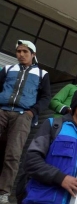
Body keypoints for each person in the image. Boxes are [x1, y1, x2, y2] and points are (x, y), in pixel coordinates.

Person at [22, 88, 77, 204]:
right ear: (75, 105)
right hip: (42, 199)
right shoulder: (53, 125)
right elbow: (31, 161)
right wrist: (61, 178)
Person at [0, 40, 51, 204]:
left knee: (13, 155)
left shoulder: (42, 74)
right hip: (2, 111)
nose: (21, 54)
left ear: (33, 54)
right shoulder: (8, 69)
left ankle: (3, 192)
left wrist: (32, 112)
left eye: (25, 52)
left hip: (23, 116)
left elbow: (46, 97)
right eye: (18, 51)